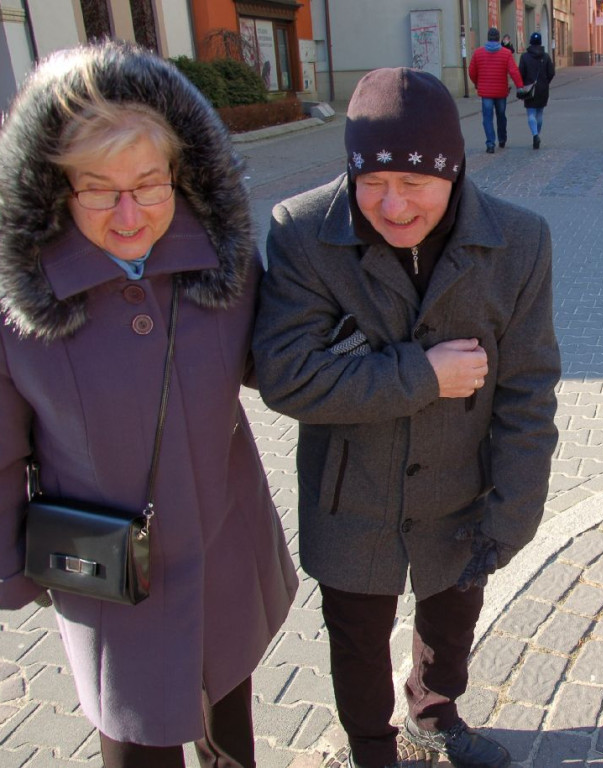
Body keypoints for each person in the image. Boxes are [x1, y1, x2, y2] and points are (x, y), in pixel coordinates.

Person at [0, 41, 298, 767]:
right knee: (135, 744)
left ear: (180, 174)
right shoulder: (21, 298)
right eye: (99, 189)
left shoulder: (220, 263)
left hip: (224, 546)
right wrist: (11, 568)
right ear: (57, 187)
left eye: (150, 184)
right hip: (108, 578)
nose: (129, 214)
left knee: (233, 728)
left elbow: (284, 362)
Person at [252, 68, 560, 768]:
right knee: (357, 636)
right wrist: (422, 375)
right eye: (372, 183)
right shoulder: (301, 232)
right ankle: (370, 746)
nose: (392, 207)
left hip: (461, 486)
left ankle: (433, 711)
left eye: (414, 185)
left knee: (452, 621)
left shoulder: (521, 241)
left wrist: (517, 508)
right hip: (350, 493)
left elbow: (529, 387)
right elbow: (287, 377)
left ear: (453, 172)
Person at [468, 27, 524, 153]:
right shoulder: (506, 53)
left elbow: (471, 71)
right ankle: (502, 139)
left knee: (487, 117)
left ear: (488, 38)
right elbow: (513, 71)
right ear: (499, 39)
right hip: (501, 91)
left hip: (486, 92)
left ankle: (490, 143)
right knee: (501, 115)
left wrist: (477, 83)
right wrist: (520, 86)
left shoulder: (478, 53)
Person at [518, 31, 555, 149]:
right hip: (543, 89)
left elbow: (520, 73)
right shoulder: (546, 56)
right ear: (540, 42)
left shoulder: (524, 57)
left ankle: (535, 135)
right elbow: (551, 73)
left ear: (530, 42)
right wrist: (545, 82)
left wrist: (523, 85)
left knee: (531, 113)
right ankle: (537, 134)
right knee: (540, 113)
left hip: (529, 89)